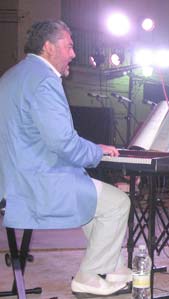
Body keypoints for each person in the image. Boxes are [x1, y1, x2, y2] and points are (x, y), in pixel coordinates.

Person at [0, 20, 130, 296]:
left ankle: (114, 268)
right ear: (49, 47)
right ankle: (89, 276)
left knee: (96, 205)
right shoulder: (44, 80)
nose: (73, 53)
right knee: (118, 203)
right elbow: (62, 142)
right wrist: (96, 151)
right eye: (69, 46)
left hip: (13, 180)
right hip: (39, 182)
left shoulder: (12, 76)